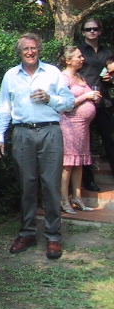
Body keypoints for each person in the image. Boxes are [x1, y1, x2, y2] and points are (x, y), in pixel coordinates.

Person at [0, 33, 74, 259]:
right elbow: (3, 107)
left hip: (50, 131)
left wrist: (50, 99)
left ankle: (53, 236)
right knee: (26, 184)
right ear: (19, 52)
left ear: (39, 49)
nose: (30, 52)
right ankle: (27, 233)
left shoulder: (53, 72)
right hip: (22, 133)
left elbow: (69, 103)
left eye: (34, 48)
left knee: (51, 184)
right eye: (25, 49)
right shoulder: (11, 75)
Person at [58, 46, 100, 214]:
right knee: (68, 164)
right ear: (68, 60)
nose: (82, 59)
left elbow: (86, 97)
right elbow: (64, 105)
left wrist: (94, 98)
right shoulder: (63, 78)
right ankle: (64, 199)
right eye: (79, 56)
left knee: (79, 163)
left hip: (83, 127)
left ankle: (77, 197)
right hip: (70, 125)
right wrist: (86, 96)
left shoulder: (80, 76)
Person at [78, 18, 114, 191]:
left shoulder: (108, 52)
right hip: (84, 101)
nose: (92, 31)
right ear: (83, 32)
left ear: (100, 31)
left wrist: (111, 79)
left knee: (111, 139)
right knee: (86, 143)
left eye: (95, 29)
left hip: (103, 101)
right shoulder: (79, 51)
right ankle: (88, 180)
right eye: (88, 29)